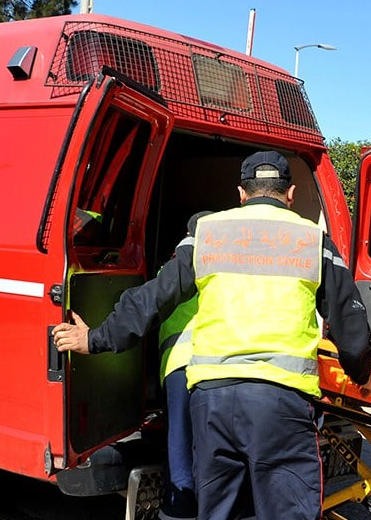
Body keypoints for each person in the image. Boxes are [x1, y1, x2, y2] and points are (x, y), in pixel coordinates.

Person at [52, 150, 371, 520]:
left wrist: (96, 338)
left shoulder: (209, 234)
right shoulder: (312, 240)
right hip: (279, 401)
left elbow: (156, 296)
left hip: (212, 401)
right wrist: (360, 376)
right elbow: (350, 323)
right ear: (291, 192)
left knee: (218, 511)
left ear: (241, 193)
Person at [156, 210, 210, 520]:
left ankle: (179, 509)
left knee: (180, 439)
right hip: (219, 363)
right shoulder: (227, 268)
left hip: (180, 363)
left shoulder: (172, 267)